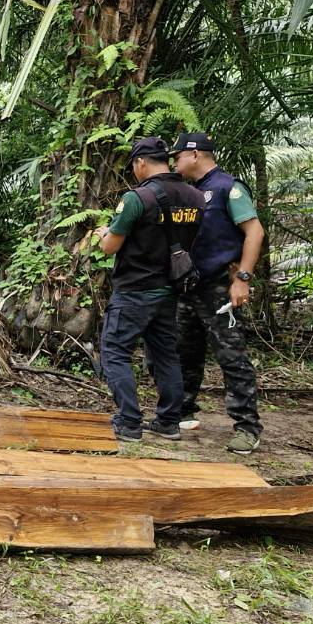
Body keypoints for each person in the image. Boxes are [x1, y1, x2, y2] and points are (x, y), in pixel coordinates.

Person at [91, 137, 205, 443]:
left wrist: (104, 234)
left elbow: (110, 246)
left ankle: (129, 422)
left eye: (133, 165)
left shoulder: (136, 198)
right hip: (168, 290)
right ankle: (169, 422)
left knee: (114, 352)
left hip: (134, 290)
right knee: (166, 354)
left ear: (141, 163)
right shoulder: (196, 197)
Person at [171, 131, 265, 453]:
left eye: (178, 155)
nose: (175, 161)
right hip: (187, 286)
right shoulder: (189, 191)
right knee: (185, 352)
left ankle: (247, 428)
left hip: (217, 289)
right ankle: (181, 413)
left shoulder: (228, 188)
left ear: (195, 154)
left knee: (231, 357)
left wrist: (243, 278)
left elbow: (254, 231)